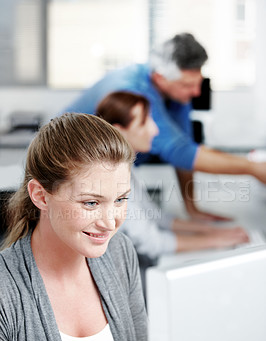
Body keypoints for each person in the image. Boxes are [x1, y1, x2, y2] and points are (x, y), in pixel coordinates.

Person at [0, 113, 148, 341]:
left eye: (120, 199)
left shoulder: (120, 253)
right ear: (41, 196)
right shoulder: (6, 292)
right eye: (91, 203)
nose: (110, 222)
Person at [63, 32, 266, 222]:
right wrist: (253, 168)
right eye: (188, 85)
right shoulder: (132, 91)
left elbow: (184, 145)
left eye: (199, 83)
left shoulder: (175, 92)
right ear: (161, 78)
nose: (196, 92)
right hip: (67, 166)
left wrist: (192, 209)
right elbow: (180, 152)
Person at [96, 91, 249, 268]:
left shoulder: (126, 168)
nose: (154, 129)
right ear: (118, 130)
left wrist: (207, 229)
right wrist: (214, 240)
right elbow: (153, 243)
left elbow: (156, 217)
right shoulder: (111, 179)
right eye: (144, 122)